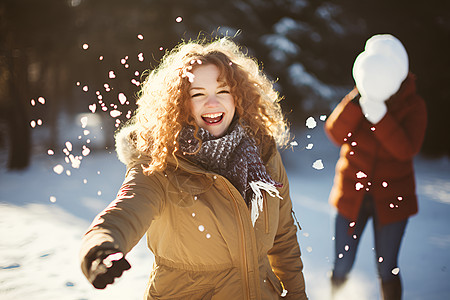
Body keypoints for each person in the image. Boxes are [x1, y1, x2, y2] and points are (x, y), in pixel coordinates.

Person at [79, 37, 308, 299]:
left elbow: (283, 238)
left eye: (223, 91)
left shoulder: (262, 154)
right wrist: (100, 248)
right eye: (198, 94)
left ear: (238, 97)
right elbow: (126, 209)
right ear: (179, 103)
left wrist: (296, 295)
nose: (212, 103)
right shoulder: (159, 163)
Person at [324, 34, 427, 300]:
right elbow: (335, 133)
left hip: (392, 198)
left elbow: (406, 149)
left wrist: (380, 117)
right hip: (351, 194)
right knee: (341, 263)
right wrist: (358, 104)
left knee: (387, 267)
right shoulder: (360, 95)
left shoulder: (414, 106)